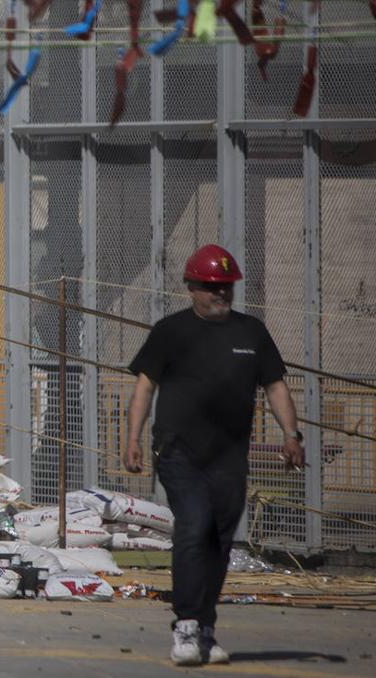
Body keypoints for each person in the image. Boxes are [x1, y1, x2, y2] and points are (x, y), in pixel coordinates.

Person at [123, 243, 305, 666]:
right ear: (191, 287)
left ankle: (206, 627)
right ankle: (185, 624)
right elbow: (144, 387)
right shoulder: (170, 331)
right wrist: (131, 439)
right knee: (194, 526)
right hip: (179, 451)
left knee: (220, 539)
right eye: (210, 286)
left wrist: (291, 435)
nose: (219, 293)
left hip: (229, 455)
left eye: (226, 287)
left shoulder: (251, 333)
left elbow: (275, 386)